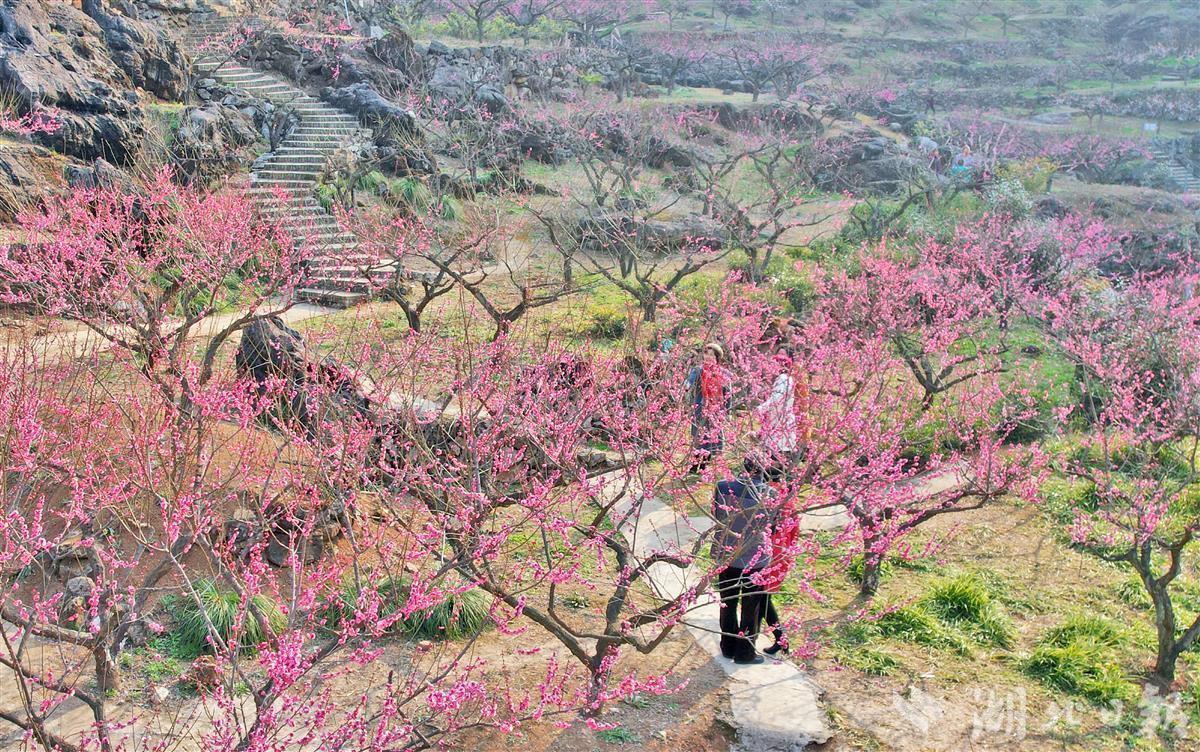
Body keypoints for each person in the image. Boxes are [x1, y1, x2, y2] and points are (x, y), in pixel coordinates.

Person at [712, 457, 776, 665]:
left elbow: (717, 515)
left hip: (727, 554)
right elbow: (772, 528)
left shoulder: (722, 486)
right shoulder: (770, 494)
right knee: (751, 607)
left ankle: (728, 646)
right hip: (755, 559)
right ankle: (745, 653)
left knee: (727, 602)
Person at [684, 342, 730, 471]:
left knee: (711, 437)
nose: (708, 357)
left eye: (712, 355)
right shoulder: (698, 370)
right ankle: (694, 466)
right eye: (706, 354)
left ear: (717, 357)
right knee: (698, 436)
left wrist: (726, 411)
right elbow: (689, 381)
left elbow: (728, 394)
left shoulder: (724, 373)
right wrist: (685, 386)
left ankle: (704, 465)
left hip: (716, 410)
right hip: (700, 408)